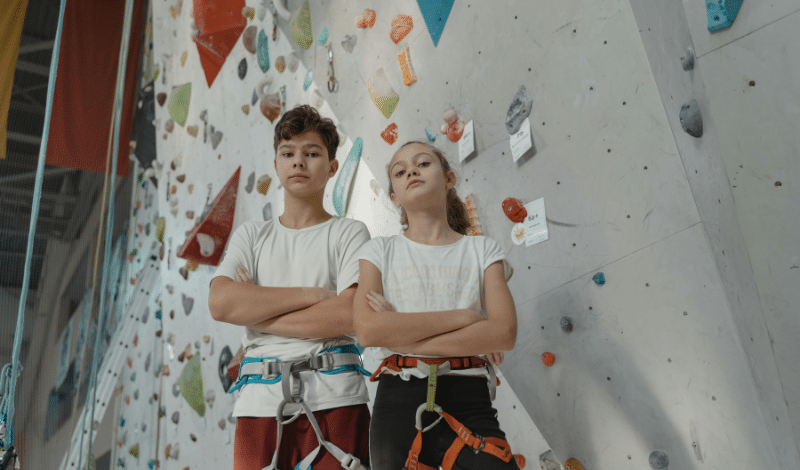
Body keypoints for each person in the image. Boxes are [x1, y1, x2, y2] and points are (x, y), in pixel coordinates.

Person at [208, 105, 371, 470]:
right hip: (258, 404)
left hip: (337, 398)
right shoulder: (251, 235)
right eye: (288, 153)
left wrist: (257, 315)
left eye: (312, 153)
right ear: (277, 163)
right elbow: (221, 303)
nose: (299, 161)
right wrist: (312, 296)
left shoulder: (349, 232)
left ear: (332, 168)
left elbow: (349, 312)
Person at [354, 141, 520, 470]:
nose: (411, 171)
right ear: (393, 197)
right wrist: (467, 319)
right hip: (396, 404)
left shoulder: (483, 250)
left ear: (449, 179)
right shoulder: (378, 252)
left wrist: (398, 335)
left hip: (469, 395)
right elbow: (368, 330)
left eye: (423, 164)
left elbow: (504, 333)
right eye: (399, 172)